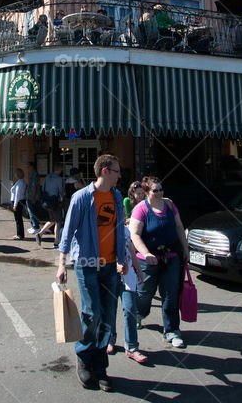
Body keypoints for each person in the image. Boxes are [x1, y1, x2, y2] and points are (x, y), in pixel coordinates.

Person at [57, 154, 127, 392]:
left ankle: (100, 366)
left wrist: (123, 259)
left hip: (110, 265)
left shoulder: (117, 196)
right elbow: (67, 233)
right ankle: (84, 358)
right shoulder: (82, 197)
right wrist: (61, 264)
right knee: (92, 313)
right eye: (117, 171)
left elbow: (120, 230)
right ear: (106, 171)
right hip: (86, 264)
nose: (120, 175)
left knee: (107, 317)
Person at [129, 176, 188, 349]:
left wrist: (185, 247)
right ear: (147, 192)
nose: (160, 193)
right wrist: (146, 253)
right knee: (144, 293)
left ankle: (172, 330)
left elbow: (178, 226)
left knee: (170, 294)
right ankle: (140, 314)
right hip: (147, 260)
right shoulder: (141, 209)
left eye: (161, 189)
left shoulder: (169, 205)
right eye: (155, 190)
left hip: (170, 257)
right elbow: (135, 234)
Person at [108, 220, 148, 363]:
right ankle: (110, 339)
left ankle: (131, 347)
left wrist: (138, 270)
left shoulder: (125, 231)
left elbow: (131, 250)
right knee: (110, 310)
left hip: (128, 277)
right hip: (111, 276)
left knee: (130, 309)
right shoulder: (104, 230)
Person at [37, 164, 64, 246]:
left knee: (52, 220)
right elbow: (61, 191)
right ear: (60, 170)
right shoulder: (59, 179)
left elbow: (43, 188)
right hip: (55, 202)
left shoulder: (47, 177)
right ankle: (56, 241)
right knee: (58, 222)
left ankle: (40, 233)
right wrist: (62, 200)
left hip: (47, 201)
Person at [10, 168, 26, 241]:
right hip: (21, 201)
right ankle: (20, 234)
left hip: (18, 201)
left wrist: (15, 205)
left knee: (18, 218)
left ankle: (19, 234)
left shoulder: (19, 183)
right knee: (19, 218)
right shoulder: (21, 182)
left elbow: (17, 195)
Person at [25, 161, 41, 234]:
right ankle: (33, 226)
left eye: (28, 166)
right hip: (30, 195)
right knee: (30, 211)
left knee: (32, 212)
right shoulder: (32, 174)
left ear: (32, 166)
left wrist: (33, 197)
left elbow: (34, 186)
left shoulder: (34, 175)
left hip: (32, 196)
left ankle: (36, 227)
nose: (27, 168)